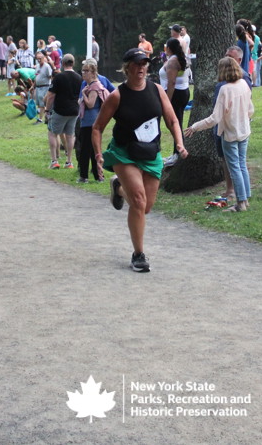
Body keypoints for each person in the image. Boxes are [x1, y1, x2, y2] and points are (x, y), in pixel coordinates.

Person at [92, 48, 188, 273]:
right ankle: (138, 254)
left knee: (145, 207)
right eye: (137, 64)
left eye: (144, 63)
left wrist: (179, 143)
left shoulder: (156, 90)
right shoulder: (117, 96)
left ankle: (118, 188)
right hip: (124, 153)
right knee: (138, 200)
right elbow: (97, 127)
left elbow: (172, 120)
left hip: (150, 154)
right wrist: (98, 154)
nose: (142, 67)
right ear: (127, 68)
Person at [185, 57, 254, 212]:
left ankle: (241, 203)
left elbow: (214, 118)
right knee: (241, 164)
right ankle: (246, 198)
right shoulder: (244, 84)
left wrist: (195, 127)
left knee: (234, 167)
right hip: (244, 131)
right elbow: (250, 110)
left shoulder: (225, 89)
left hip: (230, 134)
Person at [44, 54, 81, 169]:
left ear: (62, 63)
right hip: (74, 110)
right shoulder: (79, 77)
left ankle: (54, 161)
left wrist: (47, 110)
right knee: (70, 135)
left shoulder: (59, 77)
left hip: (60, 110)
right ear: (73, 63)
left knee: (52, 133)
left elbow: (51, 95)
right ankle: (69, 162)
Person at [159, 37, 190, 167]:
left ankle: (178, 153)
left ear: (169, 48)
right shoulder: (179, 58)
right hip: (182, 92)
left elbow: (171, 82)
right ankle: (176, 152)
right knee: (177, 122)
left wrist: (167, 101)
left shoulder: (173, 61)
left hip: (176, 95)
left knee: (174, 124)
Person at [77, 59, 108, 183]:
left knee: (87, 150)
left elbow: (90, 104)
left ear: (93, 72)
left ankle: (85, 176)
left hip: (91, 122)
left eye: (86, 71)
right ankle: (97, 176)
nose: (84, 73)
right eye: (83, 70)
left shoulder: (94, 86)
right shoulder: (89, 85)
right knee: (91, 150)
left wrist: (83, 95)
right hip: (88, 121)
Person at [33, 51, 52, 123]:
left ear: (43, 58)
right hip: (38, 87)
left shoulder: (47, 66)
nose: (38, 60)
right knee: (39, 103)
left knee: (42, 103)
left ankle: (40, 119)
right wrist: (33, 86)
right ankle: (45, 117)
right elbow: (36, 76)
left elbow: (50, 77)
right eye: (37, 58)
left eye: (40, 58)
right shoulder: (37, 66)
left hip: (45, 86)